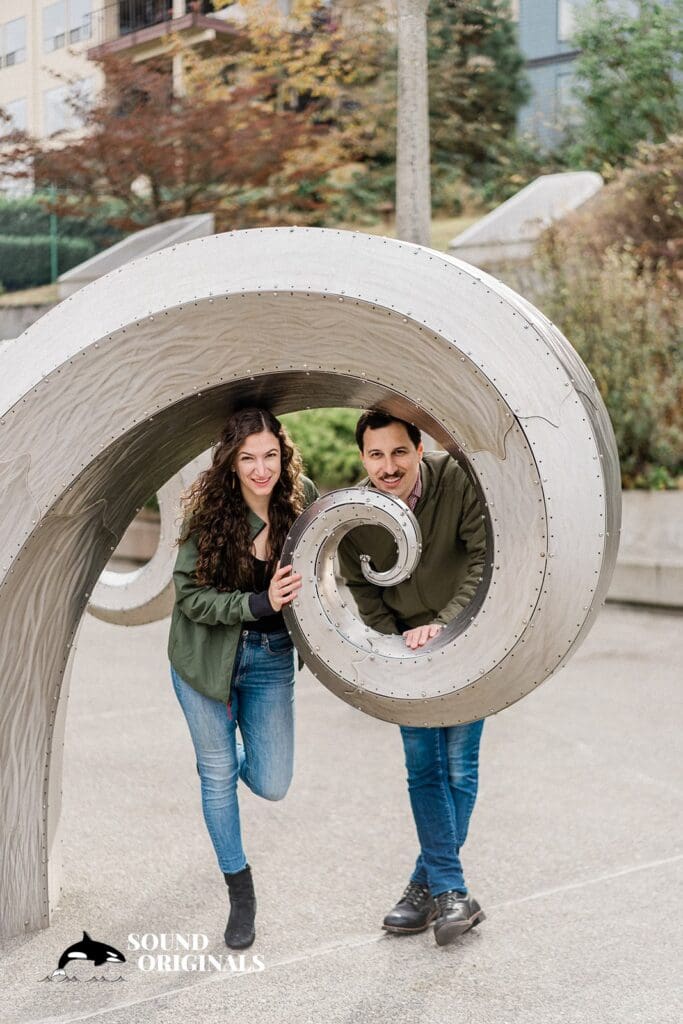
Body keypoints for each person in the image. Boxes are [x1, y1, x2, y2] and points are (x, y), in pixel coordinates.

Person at [168, 407, 318, 950]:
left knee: (273, 782)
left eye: (270, 456)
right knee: (216, 774)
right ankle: (240, 890)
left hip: (272, 657)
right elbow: (189, 596)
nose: (261, 469)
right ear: (231, 463)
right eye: (248, 458)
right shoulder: (210, 514)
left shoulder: (300, 503)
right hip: (205, 661)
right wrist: (259, 601)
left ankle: (223, 764)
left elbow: (322, 574)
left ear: (284, 454)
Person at [338, 410, 487, 947]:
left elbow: (482, 559)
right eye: (376, 455)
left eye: (399, 452)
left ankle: (429, 889)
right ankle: (451, 895)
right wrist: (398, 642)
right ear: (363, 459)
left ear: (419, 449)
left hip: (468, 640)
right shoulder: (357, 514)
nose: (388, 466)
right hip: (406, 656)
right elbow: (362, 590)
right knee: (424, 769)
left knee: (458, 768)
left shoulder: (457, 480)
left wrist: (446, 623)